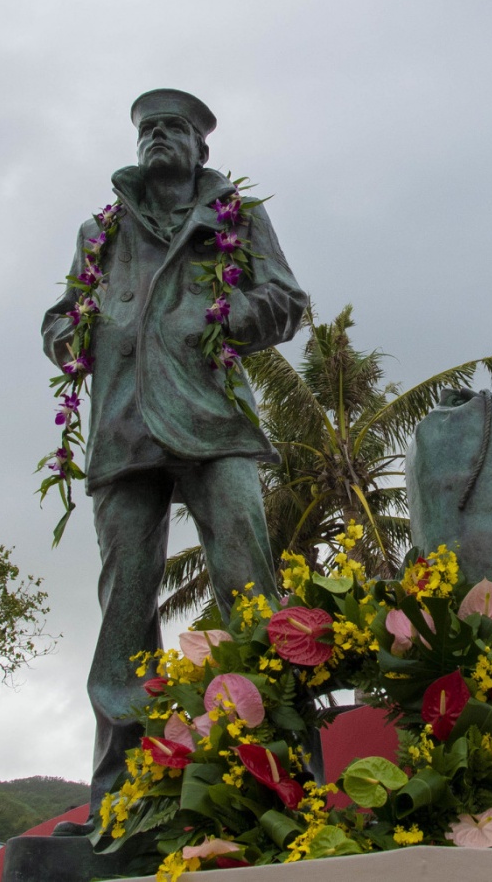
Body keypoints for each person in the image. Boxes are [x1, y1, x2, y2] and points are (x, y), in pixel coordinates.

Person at [42, 89, 307, 832]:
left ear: (201, 148)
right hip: (125, 426)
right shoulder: (100, 232)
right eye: (148, 128)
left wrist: (216, 319)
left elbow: (285, 299)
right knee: (123, 602)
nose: (159, 138)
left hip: (213, 417)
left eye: (175, 128)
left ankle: (283, 775)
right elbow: (61, 315)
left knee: (248, 584)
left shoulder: (236, 218)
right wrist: (72, 336)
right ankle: (122, 798)